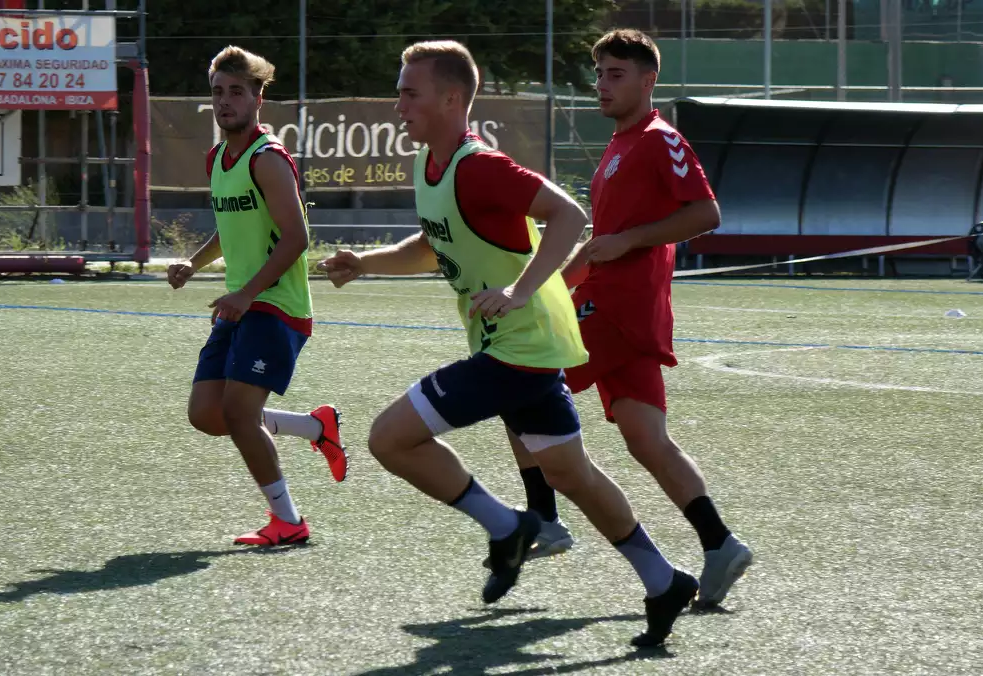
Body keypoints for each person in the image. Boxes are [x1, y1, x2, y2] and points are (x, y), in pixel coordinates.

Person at [320, 40, 697, 647]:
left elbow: (570, 216)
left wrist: (522, 289)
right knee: (573, 475)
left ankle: (505, 527)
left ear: (450, 98)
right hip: (528, 348)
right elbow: (431, 244)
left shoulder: (481, 166)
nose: (399, 106)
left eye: (409, 93)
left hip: (516, 348)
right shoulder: (429, 166)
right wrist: (365, 262)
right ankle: (663, 579)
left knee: (389, 438)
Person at [506, 29, 753, 609]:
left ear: (649, 81)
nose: (602, 85)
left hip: (620, 307)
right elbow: (603, 240)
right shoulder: (620, 145)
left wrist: (628, 243)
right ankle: (720, 545)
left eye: (616, 74)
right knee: (648, 439)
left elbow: (706, 212)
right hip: (618, 306)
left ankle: (544, 518)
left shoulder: (658, 138)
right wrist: (555, 283)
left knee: (517, 382)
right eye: (599, 74)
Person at [167, 46, 348, 547]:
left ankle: (289, 522)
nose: (226, 102)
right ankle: (314, 428)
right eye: (218, 92)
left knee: (240, 416)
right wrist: (193, 263)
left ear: (258, 98)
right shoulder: (219, 158)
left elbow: (296, 238)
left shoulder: (268, 160)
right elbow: (230, 226)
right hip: (240, 305)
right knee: (206, 414)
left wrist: (247, 293)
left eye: (237, 92)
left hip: (276, 307)